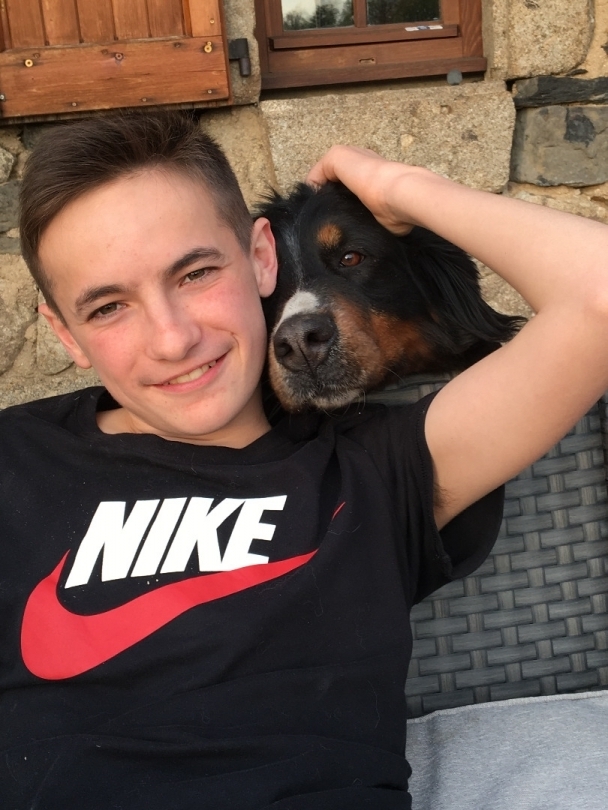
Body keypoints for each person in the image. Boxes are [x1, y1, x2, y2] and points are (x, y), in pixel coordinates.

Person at [1, 111, 608, 810]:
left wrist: (400, 187)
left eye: (196, 273)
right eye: (109, 307)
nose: (172, 339)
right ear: (64, 333)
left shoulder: (376, 468)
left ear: (261, 258)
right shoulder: (16, 459)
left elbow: (596, 293)